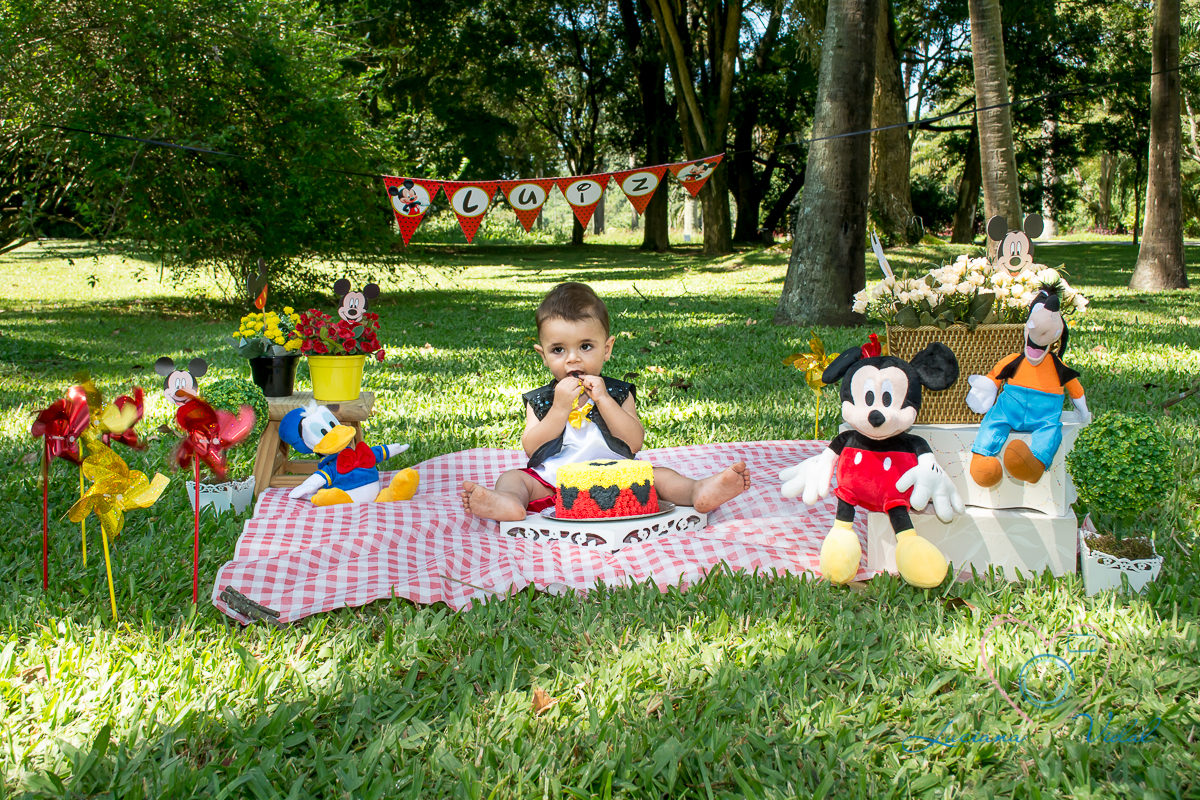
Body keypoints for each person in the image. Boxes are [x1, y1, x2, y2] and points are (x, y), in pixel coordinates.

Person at [461, 282, 750, 521]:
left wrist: (604, 400)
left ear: (607, 349)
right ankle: (508, 502)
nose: (573, 358)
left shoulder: (618, 392)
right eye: (559, 350)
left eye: (585, 346)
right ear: (543, 355)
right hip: (556, 481)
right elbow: (532, 446)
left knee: (659, 476)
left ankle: (698, 491)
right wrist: (560, 407)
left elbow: (634, 441)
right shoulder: (541, 399)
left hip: (619, 477)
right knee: (514, 478)